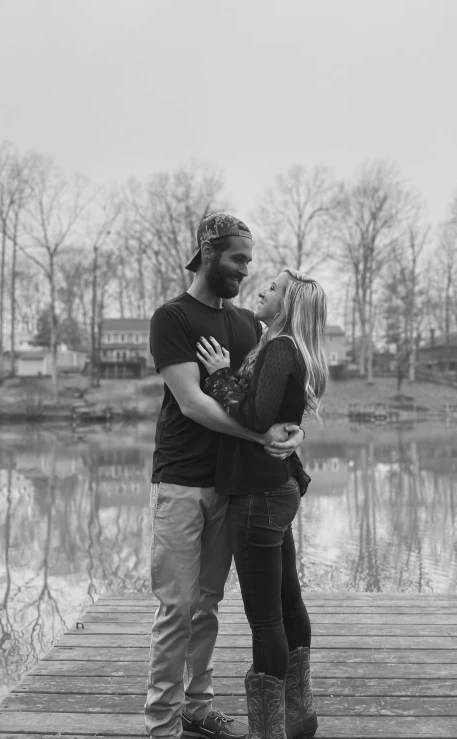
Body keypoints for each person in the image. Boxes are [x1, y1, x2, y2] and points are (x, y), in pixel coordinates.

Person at [145, 213, 305, 739]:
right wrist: (261, 437)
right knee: (177, 606)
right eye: (238, 258)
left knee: (208, 604)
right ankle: (163, 723)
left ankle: (197, 707)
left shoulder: (248, 326)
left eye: (250, 259)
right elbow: (192, 403)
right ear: (208, 253)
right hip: (182, 482)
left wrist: (290, 431)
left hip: (232, 486)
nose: (246, 268)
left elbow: (264, 402)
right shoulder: (173, 319)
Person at [196, 268, 328, 739]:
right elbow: (274, 414)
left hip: (257, 495)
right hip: (274, 490)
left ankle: (270, 731)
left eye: (271, 289)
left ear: (287, 305)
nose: (260, 289)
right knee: (289, 602)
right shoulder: (284, 348)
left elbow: (254, 416)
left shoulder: (278, 348)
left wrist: (218, 376)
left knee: (267, 617)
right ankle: (300, 716)